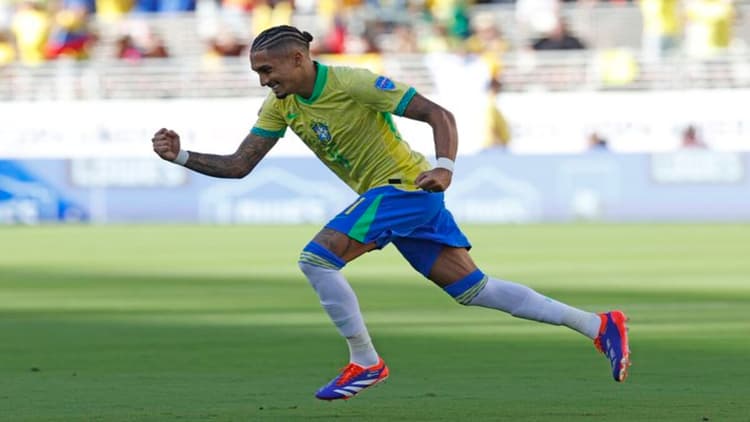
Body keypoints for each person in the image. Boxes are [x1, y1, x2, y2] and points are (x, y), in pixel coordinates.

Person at [151, 25, 631, 401]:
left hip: (404, 186)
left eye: (267, 69)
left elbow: (439, 115)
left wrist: (445, 167)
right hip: (403, 199)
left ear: (298, 58)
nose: (263, 80)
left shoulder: (353, 83)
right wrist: (182, 156)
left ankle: (365, 361)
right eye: (257, 73)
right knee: (475, 290)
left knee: (316, 259)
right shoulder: (281, 105)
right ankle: (598, 325)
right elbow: (239, 165)